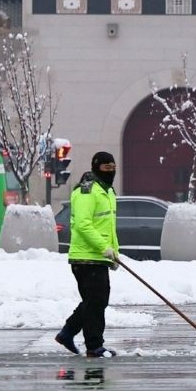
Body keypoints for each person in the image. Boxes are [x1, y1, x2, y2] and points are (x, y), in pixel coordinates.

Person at [56, 152, 120, 358]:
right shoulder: (86, 191)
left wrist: (114, 252)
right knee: (96, 301)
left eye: (113, 168)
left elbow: (109, 226)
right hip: (85, 257)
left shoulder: (107, 191)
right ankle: (94, 345)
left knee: (96, 301)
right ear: (96, 167)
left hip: (99, 256)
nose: (111, 172)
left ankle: (69, 333)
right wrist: (104, 248)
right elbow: (83, 225)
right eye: (106, 168)